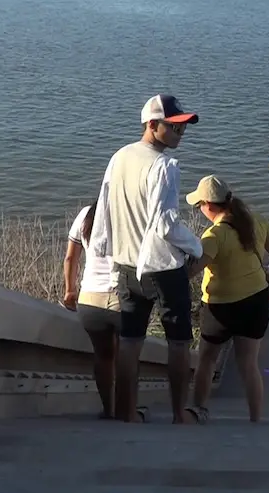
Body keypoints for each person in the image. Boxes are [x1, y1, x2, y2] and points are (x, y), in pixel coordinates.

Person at [88, 94, 203, 424]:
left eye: (183, 127)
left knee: (130, 342)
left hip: (126, 266)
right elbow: (165, 224)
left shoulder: (119, 157)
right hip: (162, 267)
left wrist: (103, 251)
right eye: (175, 127)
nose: (181, 133)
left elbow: (104, 210)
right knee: (179, 343)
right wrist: (195, 247)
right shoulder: (164, 166)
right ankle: (180, 415)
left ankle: (125, 413)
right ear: (152, 125)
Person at [185, 175, 269, 424]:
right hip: (256, 301)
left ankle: (199, 410)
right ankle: (255, 419)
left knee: (206, 360)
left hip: (220, 309)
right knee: (249, 364)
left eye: (199, 205)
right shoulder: (255, 221)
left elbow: (191, 271)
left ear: (209, 205)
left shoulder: (213, 236)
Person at [60, 200, 118, 419]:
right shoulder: (130, 213)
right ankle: (126, 409)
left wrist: (70, 290)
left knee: (103, 356)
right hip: (121, 296)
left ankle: (109, 410)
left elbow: (70, 257)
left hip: (90, 298)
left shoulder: (86, 215)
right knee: (125, 354)